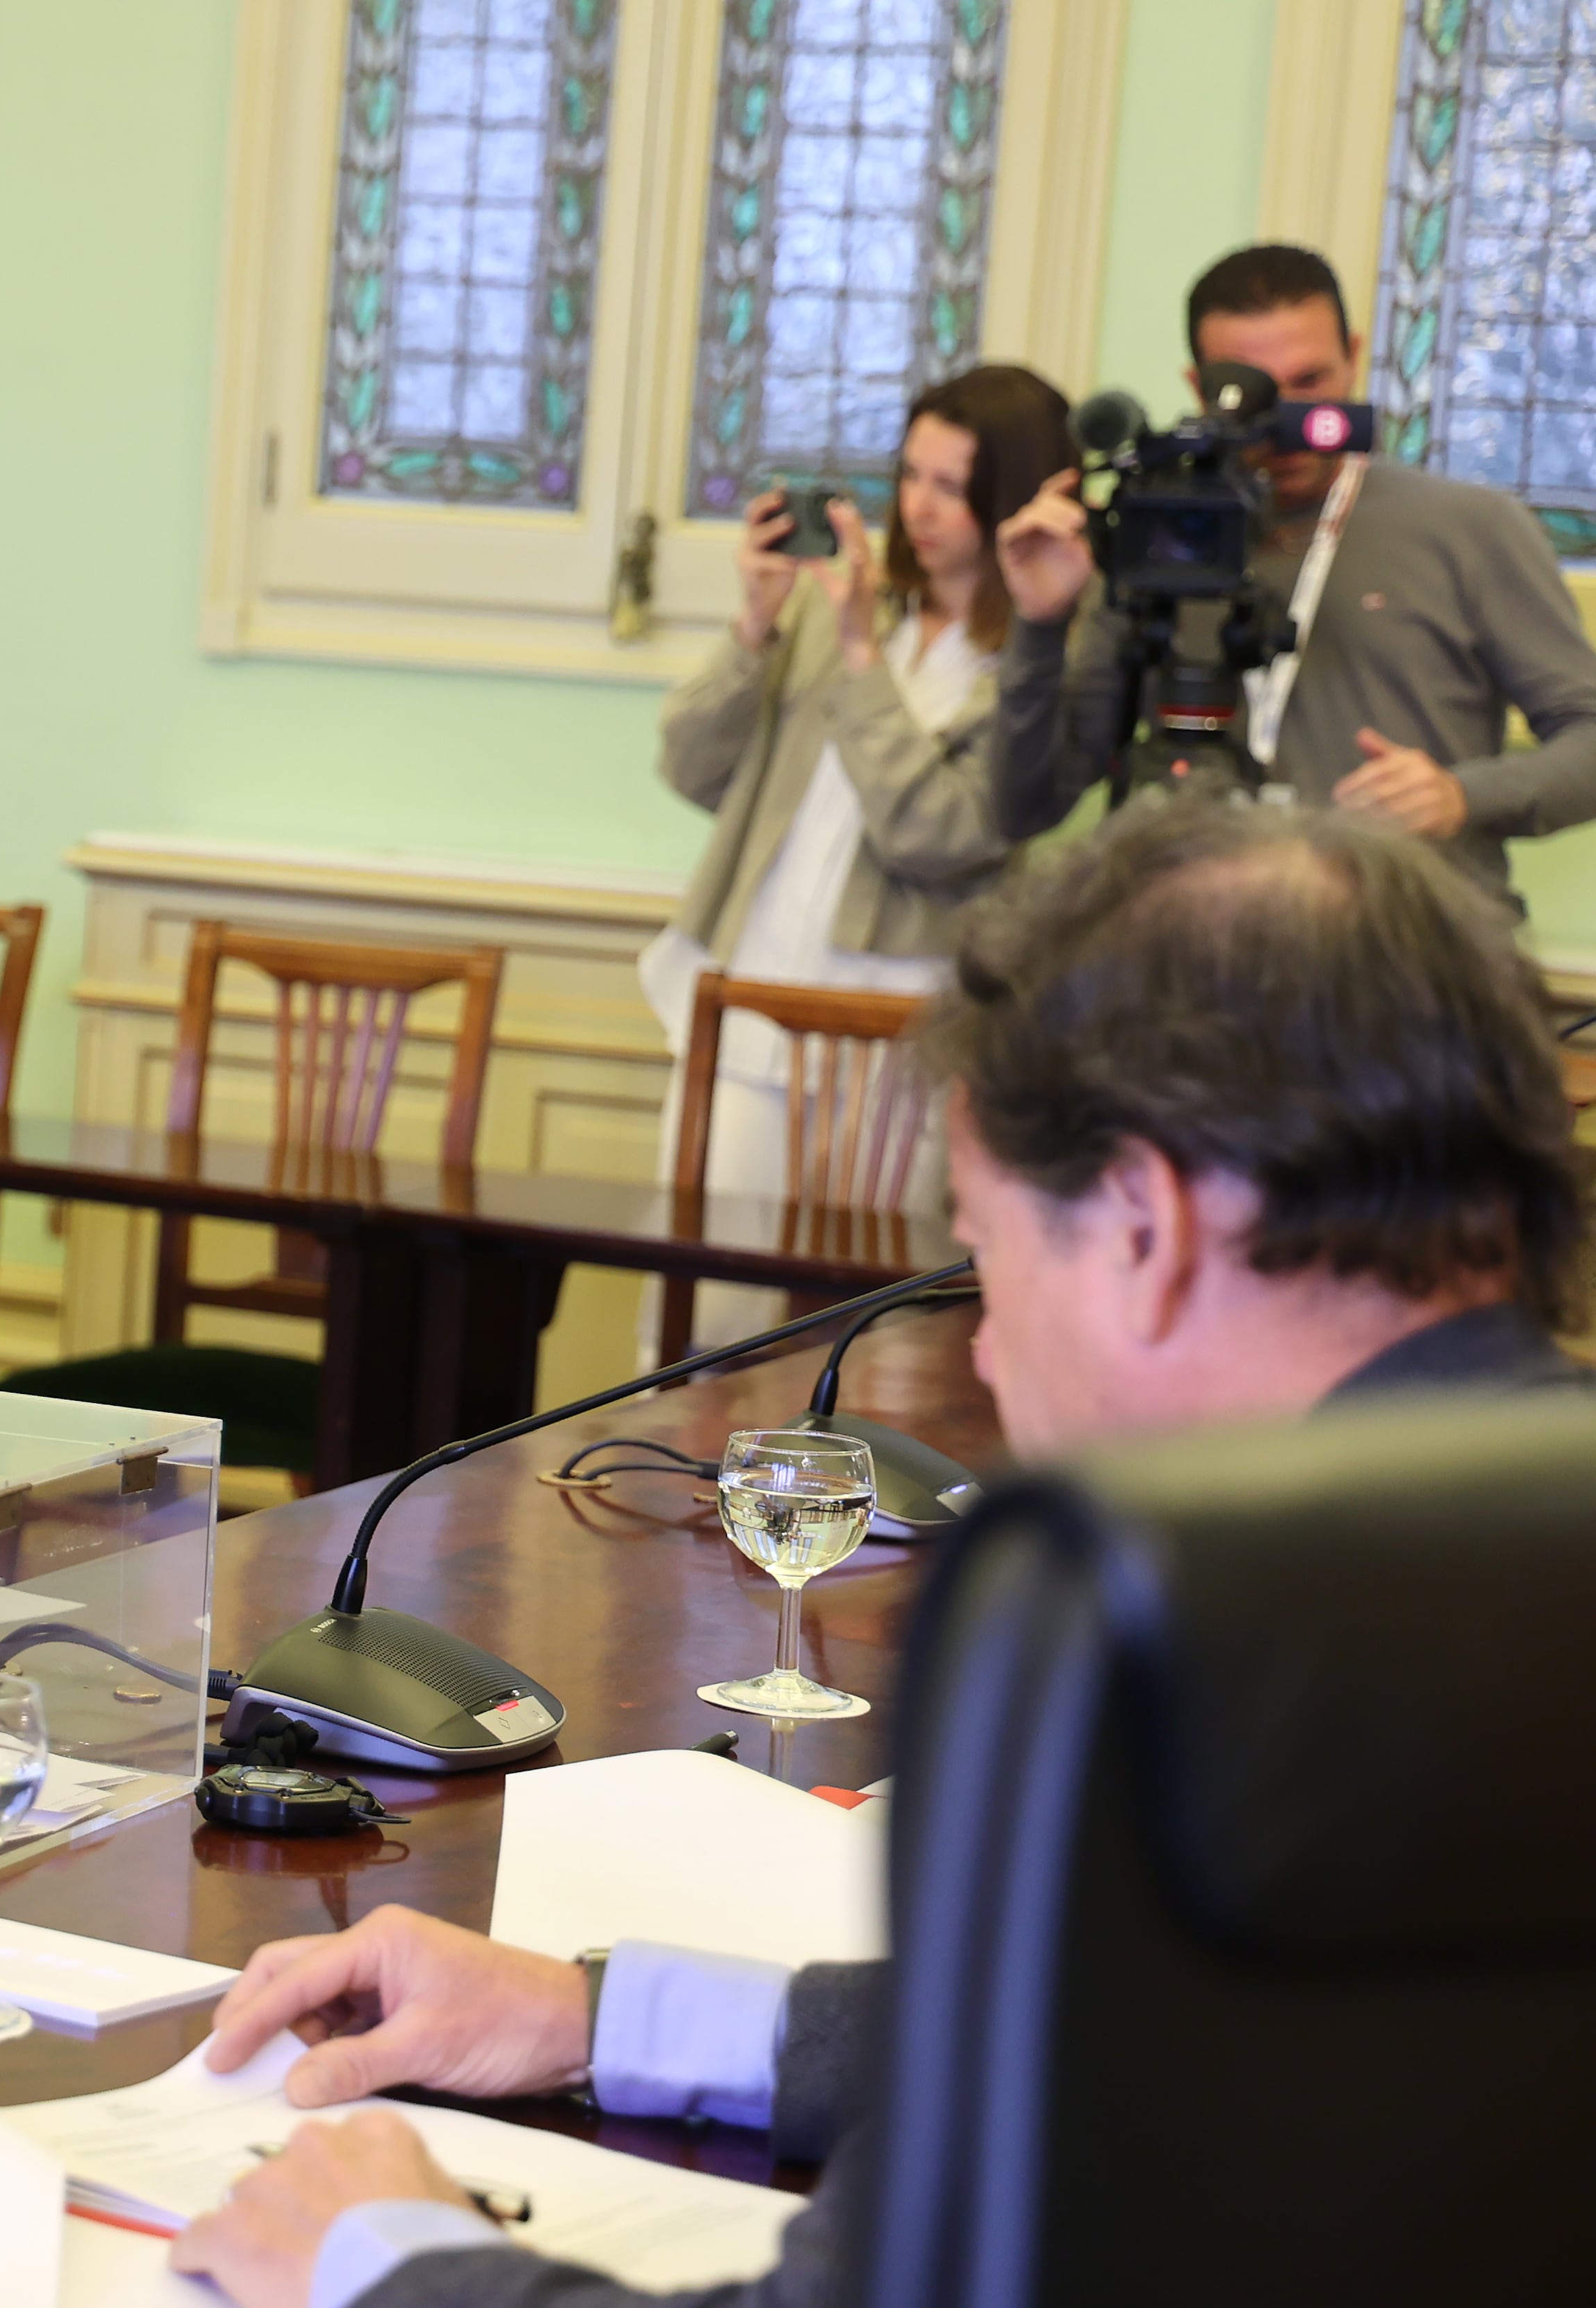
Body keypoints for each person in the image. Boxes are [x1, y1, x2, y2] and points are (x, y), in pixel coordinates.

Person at [165, 803, 1589, 2308]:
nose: (984, 1348)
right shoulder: (1500, 1562)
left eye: (989, 1259)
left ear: (1143, 1224)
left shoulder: (1188, 1644)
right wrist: (600, 2016)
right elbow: (1128, 2044)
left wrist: (376, 2257)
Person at [641, 364, 1078, 1343]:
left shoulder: (1029, 666)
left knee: (858, 1335)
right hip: (745, 995)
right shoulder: (840, 602)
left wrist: (857, 661)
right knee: (700, 1319)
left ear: (1010, 499)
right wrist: (755, 625)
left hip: (895, 1033)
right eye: (910, 475)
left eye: (951, 486)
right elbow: (692, 767)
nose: (918, 508)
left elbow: (943, 837)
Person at [992, 244, 1596, 897]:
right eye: (1252, 390)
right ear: (1198, 386)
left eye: (1310, 382)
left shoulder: (1471, 528)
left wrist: (1460, 796)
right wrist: (1040, 625)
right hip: (1203, 936)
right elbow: (1026, 807)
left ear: (1354, 357)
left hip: (1413, 939)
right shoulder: (1162, 532)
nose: (1286, 421)